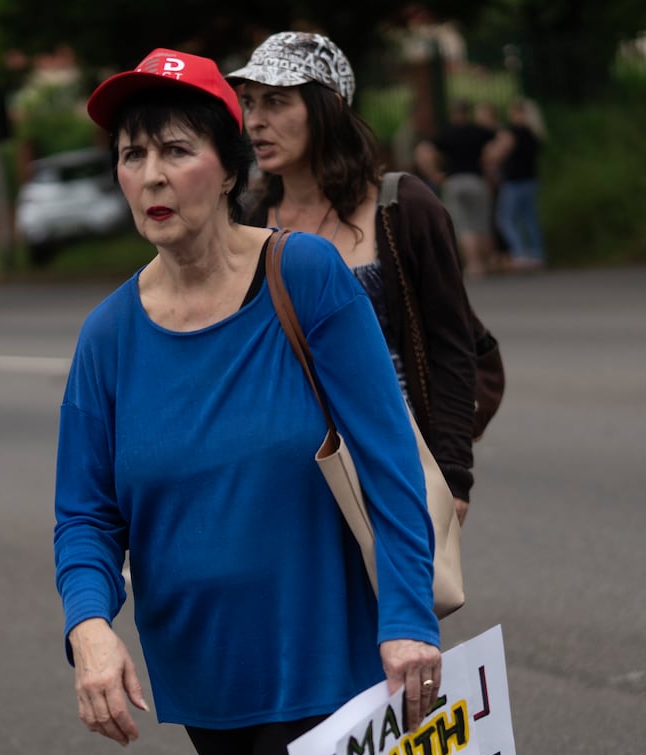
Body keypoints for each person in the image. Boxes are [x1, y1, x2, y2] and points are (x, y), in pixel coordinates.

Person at [56, 47, 444, 755]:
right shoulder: (108, 336)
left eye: (174, 149)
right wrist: (90, 628)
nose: (147, 173)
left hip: (326, 641)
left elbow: (390, 460)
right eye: (130, 154)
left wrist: (407, 613)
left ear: (226, 163)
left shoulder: (300, 275)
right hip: (202, 664)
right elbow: (85, 514)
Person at [230, 30, 504, 521]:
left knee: (399, 600)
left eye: (275, 101)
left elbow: (450, 347)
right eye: (249, 103)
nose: (256, 121)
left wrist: (452, 476)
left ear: (328, 107)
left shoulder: (404, 209)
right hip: (284, 481)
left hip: (393, 467)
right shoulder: (249, 224)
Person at [415, 100, 496, 277]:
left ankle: (474, 264)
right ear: (468, 113)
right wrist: (491, 162)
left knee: (463, 224)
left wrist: (434, 175)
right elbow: (503, 139)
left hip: (454, 181)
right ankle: (487, 261)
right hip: (476, 180)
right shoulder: (479, 131)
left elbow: (423, 151)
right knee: (480, 222)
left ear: (453, 114)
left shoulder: (444, 134)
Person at [487, 98, 548, 270]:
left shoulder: (512, 132)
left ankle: (520, 253)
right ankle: (537, 254)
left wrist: (490, 150)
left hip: (514, 181)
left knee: (505, 218)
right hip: (531, 180)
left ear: (517, 113)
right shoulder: (535, 132)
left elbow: (497, 154)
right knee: (529, 219)